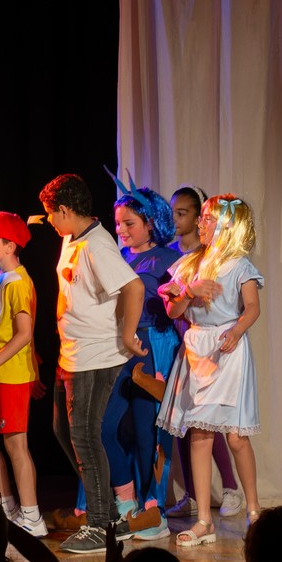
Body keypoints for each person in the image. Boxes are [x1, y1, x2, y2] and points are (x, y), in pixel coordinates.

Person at [39, 174, 146, 555]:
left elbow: (134, 287)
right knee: (64, 431)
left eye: (51, 214)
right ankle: (108, 512)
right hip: (72, 352)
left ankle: (101, 524)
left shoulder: (97, 245)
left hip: (96, 356)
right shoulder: (72, 236)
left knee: (86, 434)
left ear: (66, 211)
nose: (49, 221)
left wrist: (128, 335)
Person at [156, 193, 263, 546]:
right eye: (201, 217)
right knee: (199, 434)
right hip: (198, 349)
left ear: (227, 226)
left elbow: (252, 307)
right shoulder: (191, 263)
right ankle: (204, 520)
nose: (200, 224)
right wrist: (189, 290)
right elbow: (173, 309)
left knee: (235, 437)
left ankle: (254, 511)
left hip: (227, 351)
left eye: (207, 218)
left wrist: (237, 330)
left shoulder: (240, 266)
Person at [103, 179, 184, 539]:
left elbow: (181, 307)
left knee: (148, 433)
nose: (121, 230)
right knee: (106, 429)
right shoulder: (120, 258)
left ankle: (154, 512)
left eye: (129, 223)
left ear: (150, 222)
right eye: (117, 223)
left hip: (154, 346)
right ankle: (126, 501)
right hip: (119, 348)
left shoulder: (171, 260)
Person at [165, 185, 244, 521]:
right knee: (185, 421)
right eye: (173, 212)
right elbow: (167, 293)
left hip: (206, 344)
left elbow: (222, 303)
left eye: (182, 213)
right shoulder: (173, 254)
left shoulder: (210, 255)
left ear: (200, 217)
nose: (175, 219)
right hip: (177, 341)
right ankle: (193, 495)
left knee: (211, 418)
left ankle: (231, 487)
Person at [0, 211, 45, 536]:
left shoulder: (18, 283)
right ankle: (7, 506)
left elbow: (24, 334)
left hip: (10, 375)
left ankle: (32, 516)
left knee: (16, 445)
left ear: (10, 246)